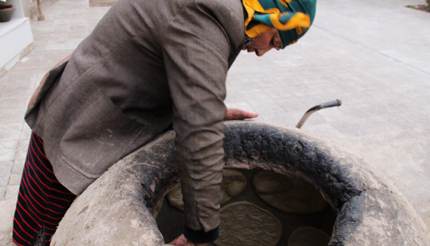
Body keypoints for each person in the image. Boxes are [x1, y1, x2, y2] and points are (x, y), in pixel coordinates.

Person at [12, 0, 316, 244]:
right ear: (273, 14)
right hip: (82, 128)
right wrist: (201, 233)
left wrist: (208, 109)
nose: (263, 52)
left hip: (89, 100)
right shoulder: (208, 15)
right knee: (38, 230)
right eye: (276, 41)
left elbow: (178, 68)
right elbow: (199, 136)